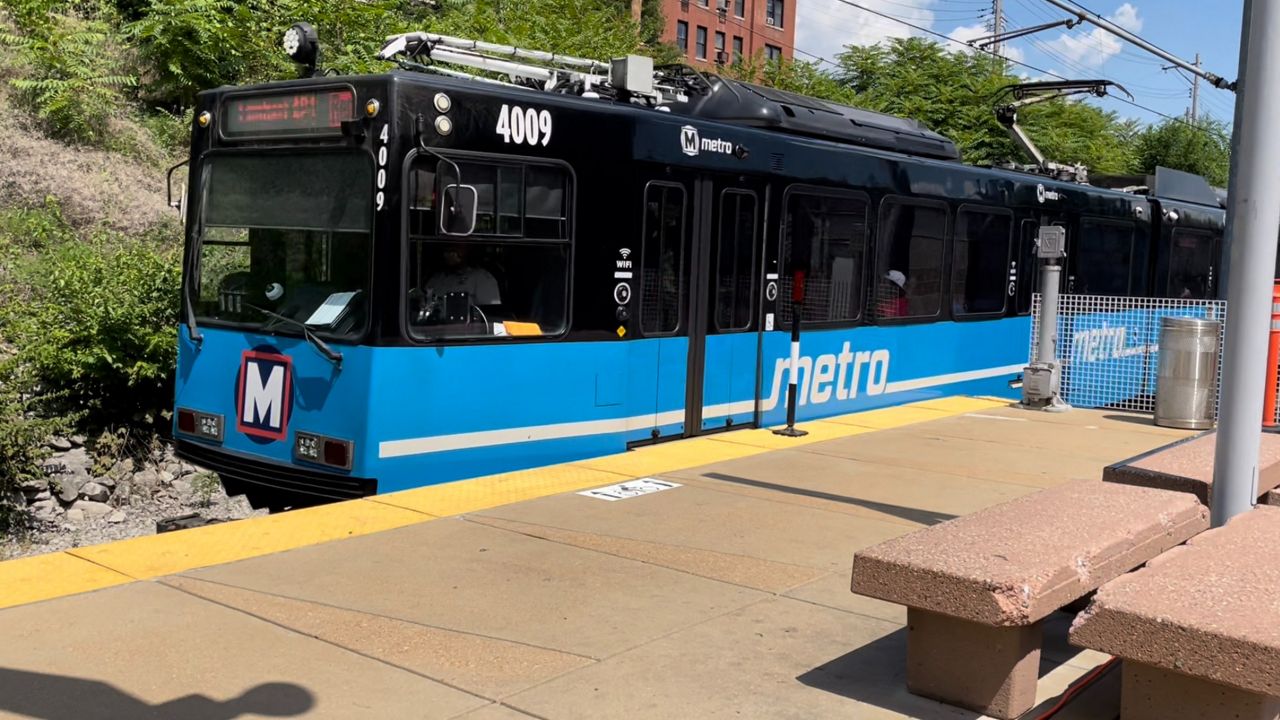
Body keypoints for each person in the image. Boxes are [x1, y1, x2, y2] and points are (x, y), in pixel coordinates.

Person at [424, 243, 501, 306]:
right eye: (447, 250)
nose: (451, 254)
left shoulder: (482, 278)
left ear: (468, 250)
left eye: (455, 250)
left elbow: (490, 315)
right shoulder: (437, 277)